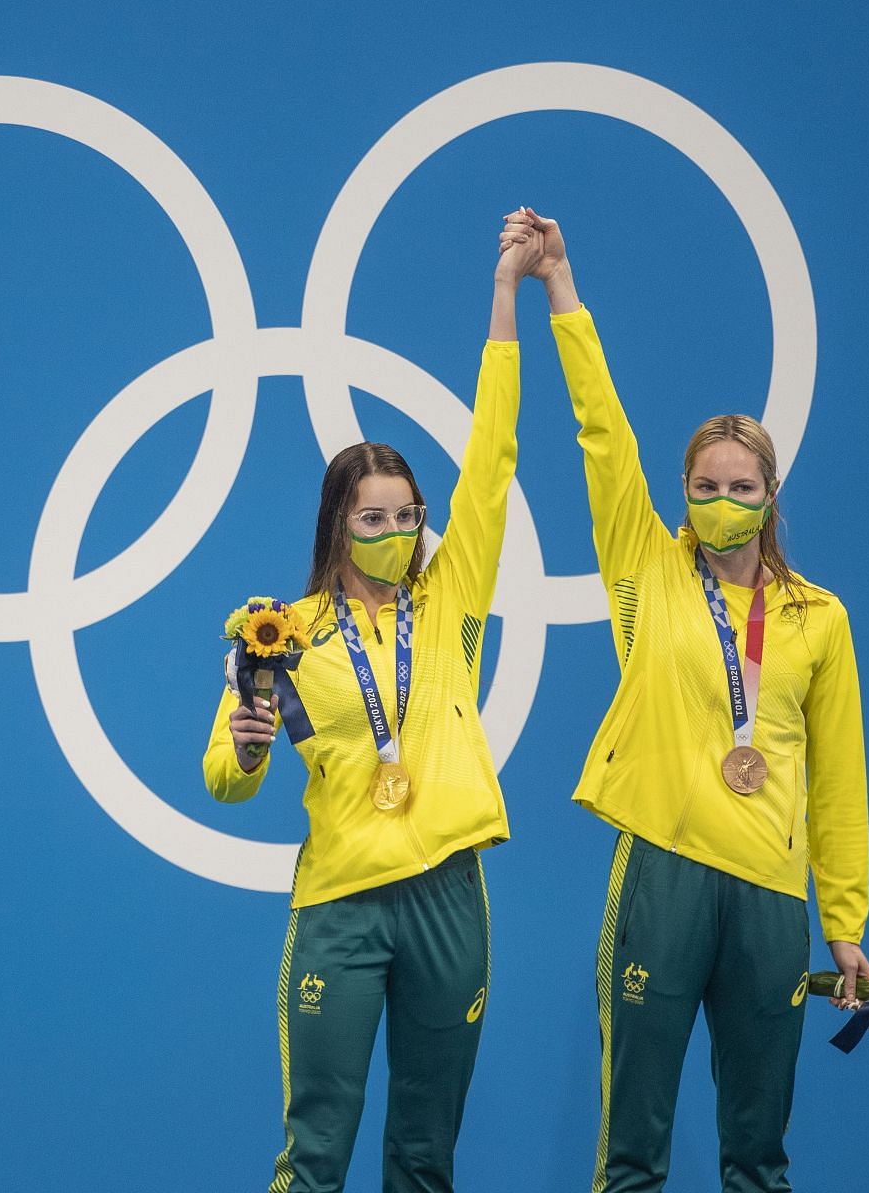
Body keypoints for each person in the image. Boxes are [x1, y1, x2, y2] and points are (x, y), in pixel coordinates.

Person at [511, 207, 869, 1193]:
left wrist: (842, 923)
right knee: (633, 1148)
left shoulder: (819, 618)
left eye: (741, 484)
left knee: (759, 1153)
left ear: (771, 494)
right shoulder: (647, 566)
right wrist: (560, 290)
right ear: (681, 491)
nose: (722, 500)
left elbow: (838, 783)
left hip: (767, 894)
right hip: (662, 872)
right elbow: (601, 434)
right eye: (705, 484)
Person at [201, 212, 536, 1193]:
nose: (395, 530)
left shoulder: (450, 597)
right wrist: (253, 743)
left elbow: (498, 454)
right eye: (373, 517)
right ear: (338, 525)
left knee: (425, 1156)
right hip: (340, 905)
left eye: (408, 514)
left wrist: (507, 295)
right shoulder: (281, 629)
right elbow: (222, 775)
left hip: (447, 891)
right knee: (315, 1155)